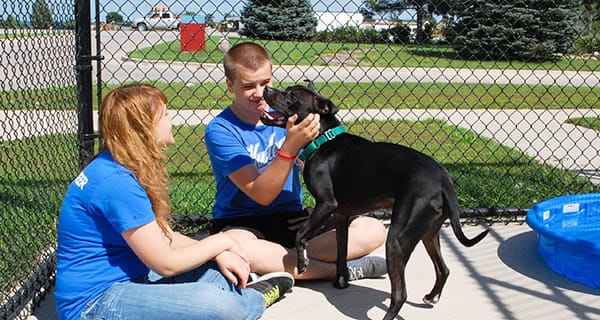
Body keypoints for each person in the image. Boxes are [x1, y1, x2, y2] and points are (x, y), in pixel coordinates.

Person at [55, 83, 293, 320]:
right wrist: (222, 241)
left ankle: (232, 295)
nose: (170, 121)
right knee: (214, 305)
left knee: (218, 270)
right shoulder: (116, 182)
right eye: (165, 115)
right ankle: (253, 299)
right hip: (95, 302)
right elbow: (166, 264)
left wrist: (218, 254)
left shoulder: (122, 165)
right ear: (145, 128)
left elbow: (165, 236)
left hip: (133, 278)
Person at [205, 42, 388, 281]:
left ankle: (279, 262)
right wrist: (291, 145)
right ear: (230, 85)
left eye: (265, 83)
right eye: (249, 86)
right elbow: (261, 195)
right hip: (242, 222)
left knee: (372, 230)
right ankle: (338, 269)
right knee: (236, 245)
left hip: (292, 218)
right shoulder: (221, 130)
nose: (260, 93)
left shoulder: (290, 117)